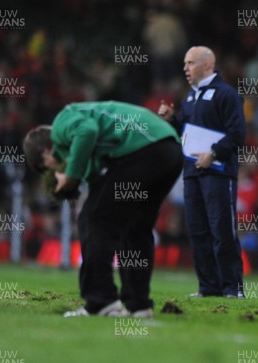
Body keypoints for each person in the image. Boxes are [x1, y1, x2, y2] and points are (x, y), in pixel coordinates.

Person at [23, 100, 183, 317]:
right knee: (134, 227)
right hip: (168, 151)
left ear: (45, 154)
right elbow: (98, 182)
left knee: (93, 219)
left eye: (48, 169)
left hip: (144, 149)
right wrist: (71, 185)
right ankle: (139, 305)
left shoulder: (62, 122)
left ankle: (101, 300)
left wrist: (70, 175)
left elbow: (87, 131)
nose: (54, 170)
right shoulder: (86, 150)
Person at [158, 46, 246, 298]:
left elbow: (238, 134)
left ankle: (232, 288)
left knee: (222, 231)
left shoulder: (226, 94)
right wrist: (173, 120)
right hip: (193, 173)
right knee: (197, 231)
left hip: (218, 172)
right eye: (185, 63)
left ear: (207, 65)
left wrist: (214, 153)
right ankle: (208, 287)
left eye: (190, 63)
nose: (185, 68)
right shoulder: (189, 98)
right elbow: (186, 134)